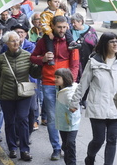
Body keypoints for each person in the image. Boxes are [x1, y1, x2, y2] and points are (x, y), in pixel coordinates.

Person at [69, 32, 117, 165]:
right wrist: (74, 102)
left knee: (112, 140)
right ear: (104, 44)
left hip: (115, 107)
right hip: (98, 107)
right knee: (99, 139)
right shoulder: (93, 62)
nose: (115, 44)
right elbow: (83, 84)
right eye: (111, 42)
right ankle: (90, 157)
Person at [31, 15, 79, 161]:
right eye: (59, 27)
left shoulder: (71, 43)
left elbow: (75, 64)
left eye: (64, 27)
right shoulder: (43, 41)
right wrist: (43, 59)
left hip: (65, 86)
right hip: (48, 83)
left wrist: (71, 82)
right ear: (52, 26)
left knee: (68, 116)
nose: (62, 30)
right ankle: (56, 148)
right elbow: (32, 57)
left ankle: (66, 144)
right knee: (51, 118)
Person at [0, 31, 35, 161]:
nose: (16, 42)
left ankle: (24, 150)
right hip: (7, 95)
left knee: (23, 119)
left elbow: (35, 73)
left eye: (17, 40)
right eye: (12, 41)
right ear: (7, 43)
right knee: (10, 121)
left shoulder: (28, 56)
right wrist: (7, 84)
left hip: (24, 94)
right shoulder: (1, 58)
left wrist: (41, 64)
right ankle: (12, 147)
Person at [40, 0, 80, 66]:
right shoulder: (45, 14)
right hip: (50, 31)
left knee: (66, 30)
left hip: (60, 29)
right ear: (49, 3)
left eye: (58, 2)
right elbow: (44, 25)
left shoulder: (60, 11)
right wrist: (49, 32)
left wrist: (66, 25)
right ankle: (50, 57)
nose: (57, 4)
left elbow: (64, 19)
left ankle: (71, 42)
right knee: (48, 40)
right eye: (55, 2)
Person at [70, 13, 98, 109]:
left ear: (81, 22)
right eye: (72, 23)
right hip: (74, 60)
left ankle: (84, 99)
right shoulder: (70, 31)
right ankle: (76, 99)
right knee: (75, 80)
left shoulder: (91, 31)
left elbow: (95, 45)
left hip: (87, 59)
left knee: (86, 79)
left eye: (75, 23)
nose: (73, 25)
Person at [55, 68, 81, 165]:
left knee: (70, 144)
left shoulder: (70, 91)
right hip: (62, 122)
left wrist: (74, 106)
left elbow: (74, 103)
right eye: (55, 77)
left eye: (58, 77)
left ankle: (72, 163)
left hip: (71, 123)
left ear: (65, 78)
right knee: (66, 145)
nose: (55, 79)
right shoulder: (58, 88)